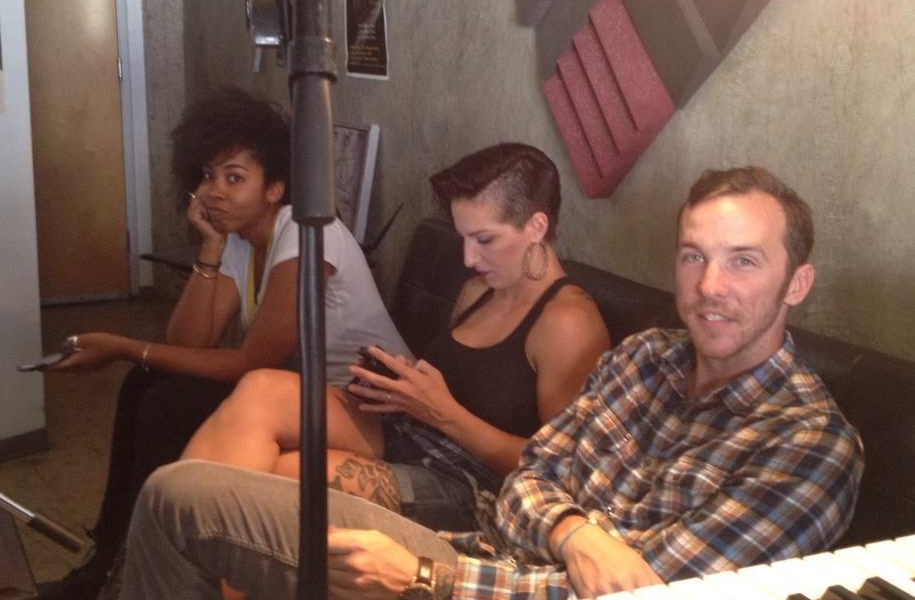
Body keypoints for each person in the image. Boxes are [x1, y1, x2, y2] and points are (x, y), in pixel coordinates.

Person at [117, 165, 863, 600]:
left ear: (797, 284)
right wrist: (573, 530)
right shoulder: (646, 359)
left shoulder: (809, 445)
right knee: (180, 492)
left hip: (465, 577)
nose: (710, 287)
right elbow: (532, 476)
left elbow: (645, 592)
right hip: (479, 547)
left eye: (743, 262)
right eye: (694, 257)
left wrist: (426, 578)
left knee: (232, 491)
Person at [38, 86, 412, 600]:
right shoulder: (242, 239)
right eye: (209, 176)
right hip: (301, 397)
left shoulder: (308, 235)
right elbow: (189, 341)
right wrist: (211, 246)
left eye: (235, 178)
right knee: (145, 383)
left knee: (167, 402)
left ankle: (142, 560)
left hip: (375, 411)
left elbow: (249, 363)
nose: (214, 191)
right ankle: (110, 556)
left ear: (275, 188)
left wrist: (123, 345)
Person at [181, 142, 611, 534]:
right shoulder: (480, 290)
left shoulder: (568, 322)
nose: (468, 257)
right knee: (258, 389)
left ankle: (200, 562)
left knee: (280, 475)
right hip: (415, 431)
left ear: (536, 226)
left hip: (476, 485)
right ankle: (179, 542)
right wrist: (401, 382)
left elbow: (565, 469)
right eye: (463, 238)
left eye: (484, 239)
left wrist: (444, 413)